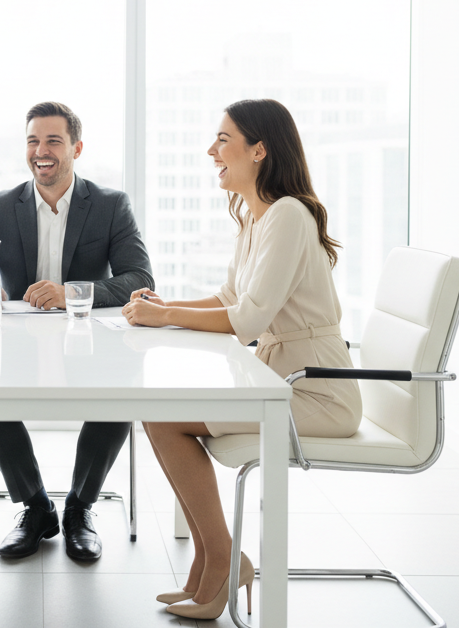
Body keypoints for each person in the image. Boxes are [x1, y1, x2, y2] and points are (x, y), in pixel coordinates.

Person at [123, 99, 361, 620]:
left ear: (259, 150)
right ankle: (215, 559)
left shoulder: (288, 216)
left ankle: (223, 561)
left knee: (162, 417)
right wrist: (166, 306)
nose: (212, 150)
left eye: (223, 139)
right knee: (157, 411)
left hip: (317, 391)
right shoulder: (258, 219)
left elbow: (247, 320)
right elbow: (229, 295)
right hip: (281, 381)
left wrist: (165, 319)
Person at [0, 101, 154, 561]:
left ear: (76, 148)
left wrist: (71, 293)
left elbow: (140, 280)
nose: (41, 151)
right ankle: (36, 506)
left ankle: (80, 508)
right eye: (32, 141)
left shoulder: (109, 205)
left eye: (53, 141)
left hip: (91, 346)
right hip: (15, 347)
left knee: (120, 396)